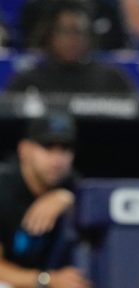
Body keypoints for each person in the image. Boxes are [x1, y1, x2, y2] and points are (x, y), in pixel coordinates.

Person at [0, 111, 91, 288]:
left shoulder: (72, 185)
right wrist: (48, 280)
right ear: (24, 150)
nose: (57, 159)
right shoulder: (4, 189)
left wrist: (67, 197)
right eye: (48, 147)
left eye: (65, 149)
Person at [5, 1, 135, 95]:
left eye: (78, 32)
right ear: (50, 36)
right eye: (64, 32)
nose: (72, 40)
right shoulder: (27, 81)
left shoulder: (112, 80)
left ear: (89, 36)